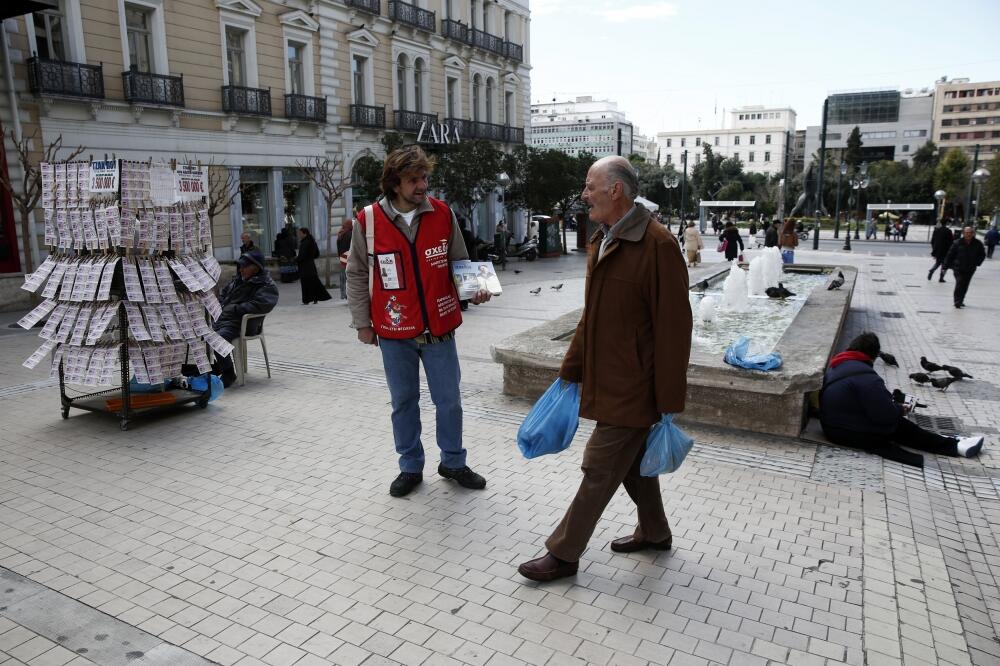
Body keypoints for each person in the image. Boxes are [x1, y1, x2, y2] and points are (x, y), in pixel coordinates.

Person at [517, 156, 692, 582]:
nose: (584, 194)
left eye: (589, 186)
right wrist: (571, 368)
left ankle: (563, 554)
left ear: (616, 191)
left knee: (598, 467)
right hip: (607, 379)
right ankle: (655, 532)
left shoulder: (658, 245)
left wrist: (667, 399)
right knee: (630, 465)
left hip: (636, 386)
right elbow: (590, 316)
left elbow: (675, 327)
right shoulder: (603, 240)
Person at [346, 144, 491, 498]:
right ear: (395, 183)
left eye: (424, 177)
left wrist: (475, 290)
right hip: (394, 330)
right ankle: (410, 466)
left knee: (449, 401)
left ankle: (453, 461)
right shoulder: (368, 220)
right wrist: (362, 323)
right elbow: (357, 273)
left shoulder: (442, 213)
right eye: (414, 179)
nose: (422, 185)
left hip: (439, 327)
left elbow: (460, 262)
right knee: (403, 402)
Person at [820, 332, 985, 467]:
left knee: (896, 424)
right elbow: (884, 415)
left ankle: (950, 442)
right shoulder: (867, 377)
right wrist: (900, 409)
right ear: (873, 356)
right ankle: (955, 446)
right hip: (844, 432)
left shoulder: (838, 365)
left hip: (830, 425)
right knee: (899, 426)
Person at [214, 250, 279, 387]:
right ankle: (217, 367)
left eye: (244, 267)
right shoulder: (238, 280)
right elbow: (224, 295)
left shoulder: (266, 285)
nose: (241, 269)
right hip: (226, 319)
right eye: (240, 266)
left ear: (255, 268)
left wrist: (235, 308)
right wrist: (219, 305)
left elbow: (261, 305)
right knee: (204, 334)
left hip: (242, 324)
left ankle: (228, 373)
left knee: (218, 339)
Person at [944, 226, 986, 309]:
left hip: (970, 268)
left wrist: (977, 263)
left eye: (970, 233)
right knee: (959, 283)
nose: (968, 234)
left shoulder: (978, 243)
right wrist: (945, 266)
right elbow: (950, 254)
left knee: (965, 285)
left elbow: (982, 254)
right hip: (958, 268)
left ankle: (961, 300)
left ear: (973, 233)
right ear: (963, 233)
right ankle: (957, 301)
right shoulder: (957, 242)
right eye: (967, 233)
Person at [296, 227, 332, 305]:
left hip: (304, 267)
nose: (299, 235)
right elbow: (317, 254)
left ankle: (306, 300)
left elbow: (302, 256)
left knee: (306, 283)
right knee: (313, 282)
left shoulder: (304, 243)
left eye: (300, 233)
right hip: (311, 266)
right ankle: (315, 298)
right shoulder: (312, 241)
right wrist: (311, 258)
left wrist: (296, 260)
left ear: (305, 234)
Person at [336, 218, 353, 300]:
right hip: (349, 257)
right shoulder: (350, 234)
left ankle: (344, 294)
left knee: (343, 276)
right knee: (349, 277)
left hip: (342, 257)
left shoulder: (341, 233)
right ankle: (347, 294)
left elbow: (338, 248)